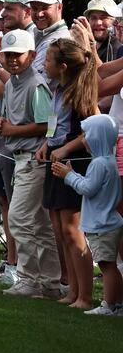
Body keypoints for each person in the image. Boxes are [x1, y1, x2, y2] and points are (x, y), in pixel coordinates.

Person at [0, 29, 61, 299]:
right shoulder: (12, 83)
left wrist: (10, 130)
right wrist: (3, 125)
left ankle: (31, 279)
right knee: (40, 225)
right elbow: (14, 122)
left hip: (33, 160)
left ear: (31, 55)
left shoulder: (36, 84)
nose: (12, 59)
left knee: (19, 219)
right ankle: (50, 283)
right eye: (7, 55)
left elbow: (47, 125)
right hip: (21, 158)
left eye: (17, 54)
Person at [35, 38, 98, 309]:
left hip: (74, 163)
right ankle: (72, 291)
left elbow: (93, 129)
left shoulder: (79, 92)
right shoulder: (59, 90)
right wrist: (47, 145)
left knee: (73, 231)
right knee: (60, 229)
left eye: (48, 60)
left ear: (62, 66)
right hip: (57, 158)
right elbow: (56, 127)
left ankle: (85, 295)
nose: (44, 64)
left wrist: (65, 149)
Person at [52, 115, 123, 316]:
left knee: (106, 265)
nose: (83, 140)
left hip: (103, 224)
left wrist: (68, 176)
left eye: (87, 135)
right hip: (110, 220)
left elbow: (88, 188)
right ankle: (117, 303)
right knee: (110, 265)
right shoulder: (107, 161)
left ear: (98, 137)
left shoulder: (99, 164)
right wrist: (74, 175)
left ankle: (109, 305)